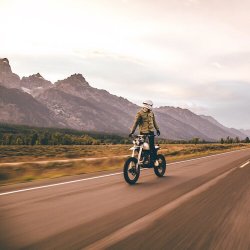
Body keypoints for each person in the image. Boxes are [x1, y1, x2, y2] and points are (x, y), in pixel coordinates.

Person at [129, 100, 160, 166]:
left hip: (151, 132)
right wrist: (132, 132)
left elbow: (154, 122)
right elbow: (136, 123)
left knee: (152, 147)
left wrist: (157, 129)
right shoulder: (140, 113)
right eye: (151, 105)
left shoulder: (152, 113)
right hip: (143, 133)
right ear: (147, 105)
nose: (151, 107)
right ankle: (144, 158)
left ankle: (154, 160)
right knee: (140, 146)